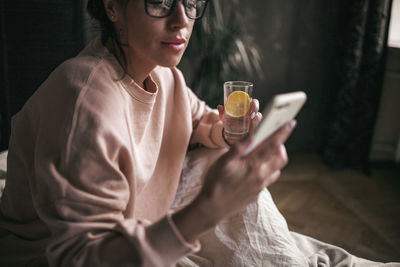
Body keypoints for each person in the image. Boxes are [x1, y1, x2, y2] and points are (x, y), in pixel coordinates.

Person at [0, 0, 295, 266]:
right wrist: (207, 210)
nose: (181, 19)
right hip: (48, 257)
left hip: (138, 234)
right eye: (160, 2)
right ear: (113, 7)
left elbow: (198, 120)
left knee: (217, 155)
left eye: (190, 3)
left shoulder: (165, 75)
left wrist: (229, 132)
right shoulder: (85, 99)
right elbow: (81, 257)